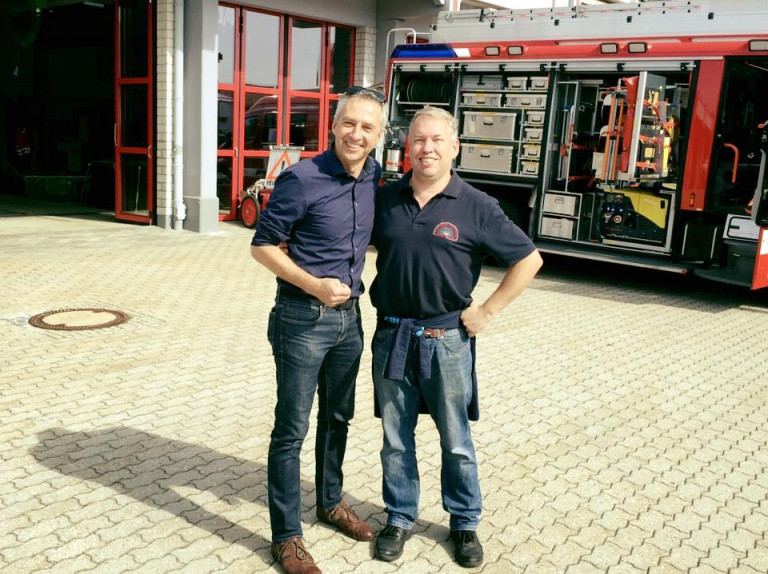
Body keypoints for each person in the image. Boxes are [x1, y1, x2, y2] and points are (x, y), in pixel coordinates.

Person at [369, 106, 543, 568]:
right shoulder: (385, 198)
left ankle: (464, 523)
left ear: (455, 147)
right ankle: (400, 517)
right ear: (407, 147)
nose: (426, 148)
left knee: (456, 440)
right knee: (395, 439)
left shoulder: (477, 205)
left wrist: (487, 310)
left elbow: (529, 260)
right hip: (391, 336)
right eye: (418, 140)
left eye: (436, 140)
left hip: (446, 341)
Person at [250, 86, 387, 574]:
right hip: (301, 320)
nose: (356, 133)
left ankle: (330, 502)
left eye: (367, 127)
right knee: (291, 430)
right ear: (333, 125)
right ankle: (286, 537)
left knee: (338, 418)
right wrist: (313, 284)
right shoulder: (301, 179)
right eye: (349, 123)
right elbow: (262, 246)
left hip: (351, 321)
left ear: (379, 135)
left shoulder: (374, 176)